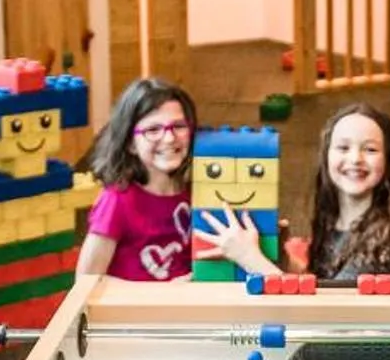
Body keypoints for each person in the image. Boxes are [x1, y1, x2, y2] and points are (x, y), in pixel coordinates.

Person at [76, 77, 271, 280]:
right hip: (141, 310)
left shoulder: (197, 190)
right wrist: (166, 293)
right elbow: (86, 281)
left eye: (178, 126)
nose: (169, 138)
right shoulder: (117, 200)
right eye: (153, 130)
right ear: (130, 144)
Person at [305, 102, 390, 279]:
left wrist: (254, 260)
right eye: (343, 148)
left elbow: (333, 305)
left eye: (370, 149)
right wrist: (287, 263)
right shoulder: (332, 221)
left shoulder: (384, 240)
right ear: (326, 156)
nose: (356, 158)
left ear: (388, 161)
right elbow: (324, 284)